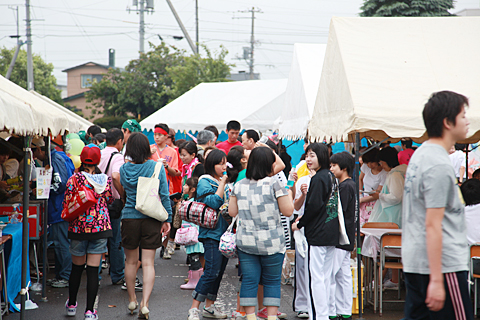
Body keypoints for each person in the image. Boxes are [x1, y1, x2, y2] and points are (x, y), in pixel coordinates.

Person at [402, 90, 473, 320]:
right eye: (463, 115)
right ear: (447, 122)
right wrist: (436, 279)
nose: (467, 121)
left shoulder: (421, 155)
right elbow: (433, 225)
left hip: (417, 261)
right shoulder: (438, 164)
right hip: (443, 267)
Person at [229, 146, 294, 320]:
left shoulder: (239, 184)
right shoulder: (275, 183)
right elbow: (288, 211)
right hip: (272, 242)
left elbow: (232, 212)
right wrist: (289, 193)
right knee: (271, 281)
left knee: (250, 280)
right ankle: (271, 317)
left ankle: (250, 316)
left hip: (246, 241)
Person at [120, 132, 172, 319]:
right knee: (149, 262)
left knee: (131, 261)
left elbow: (123, 189)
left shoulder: (124, 170)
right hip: (151, 217)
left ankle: (132, 299)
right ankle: (145, 304)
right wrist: (168, 219)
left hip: (129, 218)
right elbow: (164, 195)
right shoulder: (156, 167)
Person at [63, 144, 113, 320]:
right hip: (100, 228)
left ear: (82, 160)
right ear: (98, 160)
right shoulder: (105, 180)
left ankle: (71, 304)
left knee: (77, 268)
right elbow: (109, 199)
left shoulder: (74, 179)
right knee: (93, 271)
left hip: (78, 227)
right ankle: (90, 311)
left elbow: (68, 201)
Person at [291, 143, 339, 320]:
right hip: (330, 233)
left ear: (321, 156)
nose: (307, 160)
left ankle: (318, 316)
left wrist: (300, 223)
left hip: (318, 234)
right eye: (306, 156)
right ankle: (323, 315)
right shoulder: (330, 176)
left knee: (316, 278)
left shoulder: (319, 178)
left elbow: (313, 206)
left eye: (312, 155)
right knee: (325, 277)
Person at [188, 149, 230, 320]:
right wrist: (223, 183)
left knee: (218, 271)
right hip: (211, 233)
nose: (224, 166)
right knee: (211, 270)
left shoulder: (223, 181)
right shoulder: (205, 181)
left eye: (225, 162)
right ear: (212, 165)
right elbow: (213, 202)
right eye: (220, 163)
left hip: (225, 233)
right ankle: (194, 308)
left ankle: (210, 306)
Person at [37, 137, 75, 288]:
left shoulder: (55, 159)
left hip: (59, 208)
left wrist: (43, 191)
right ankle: (61, 275)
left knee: (61, 244)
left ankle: (65, 276)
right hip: (60, 207)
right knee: (60, 243)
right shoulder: (59, 157)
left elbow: (61, 184)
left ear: (40, 150)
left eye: (35, 151)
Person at [97, 128, 126, 287]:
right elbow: (116, 176)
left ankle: (96, 273)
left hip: (96, 202)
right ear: (120, 141)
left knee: (99, 238)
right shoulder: (118, 156)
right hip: (112, 203)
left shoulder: (99, 153)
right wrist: (121, 195)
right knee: (115, 239)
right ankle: (117, 275)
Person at [328, 152, 355, 320]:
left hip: (341, 236)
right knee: (344, 274)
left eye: (333, 166)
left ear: (343, 168)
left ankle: (331, 311)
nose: (330, 169)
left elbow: (338, 213)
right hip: (348, 236)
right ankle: (345, 310)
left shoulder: (344, 186)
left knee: (331, 274)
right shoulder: (350, 185)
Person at [369, 147, 407, 229]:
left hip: (393, 217)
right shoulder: (397, 173)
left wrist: (379, 196)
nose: (382, 166)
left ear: (388, 161)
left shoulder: (395, 175)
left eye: (382, 163)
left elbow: (396, 197)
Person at [180, 177, 204, 290]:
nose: (184, 186)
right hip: (194, 234)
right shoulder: (197, 203)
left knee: (194, 258)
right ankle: (193, 280)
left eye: (186, 185)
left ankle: (194, 281)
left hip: (191, 235)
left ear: (192, 189)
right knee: (193, 258)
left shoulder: (189, 204)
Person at [150, 123, 181, 195]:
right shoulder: (149, 148)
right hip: (151, 187)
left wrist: (166, 166)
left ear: (166, 136)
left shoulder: (172, 152)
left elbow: (174, 173)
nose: (156, 137)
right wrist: (148, 154)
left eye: (159, 135)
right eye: (155, 134)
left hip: (166, 188)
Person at [358, 148, 387, 226]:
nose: (369, 165)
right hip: (364, 197)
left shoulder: (384, 174)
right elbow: (360, 179)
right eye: (367, 163)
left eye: (371, 162)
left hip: (375, 201)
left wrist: (361, 200)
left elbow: (377, 194)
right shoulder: (365, 167)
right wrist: (360, 194)